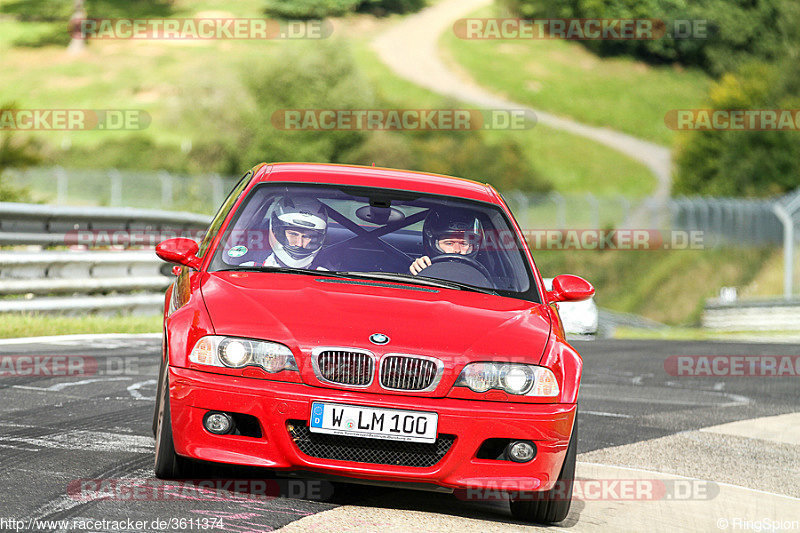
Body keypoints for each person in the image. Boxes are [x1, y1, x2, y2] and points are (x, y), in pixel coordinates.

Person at [410, 208, 483, 275]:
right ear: (434, 244)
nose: (457, 250)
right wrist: (418, 270)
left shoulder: (481, 274)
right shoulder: (422, 267)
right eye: (449, 243)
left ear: (472, 246)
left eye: (463, 244)